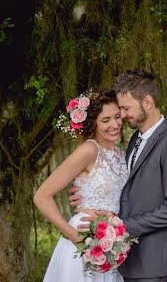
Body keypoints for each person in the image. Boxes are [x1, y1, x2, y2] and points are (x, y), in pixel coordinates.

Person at [72, 69, 167, 282]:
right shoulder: (135, 139)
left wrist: (122, 227)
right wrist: (84, 191)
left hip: (154, 259)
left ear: (147, 102)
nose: (123, 115)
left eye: (126, 108)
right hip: (127, 257)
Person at [34, 89, 128, 281]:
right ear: (93, 123)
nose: (115, 124)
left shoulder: (121, 153)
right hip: (84, 237)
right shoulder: (89, 150)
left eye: (117, 117)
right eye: (106, 120)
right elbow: (41, 196)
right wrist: (74, 235)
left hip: (112, 241)